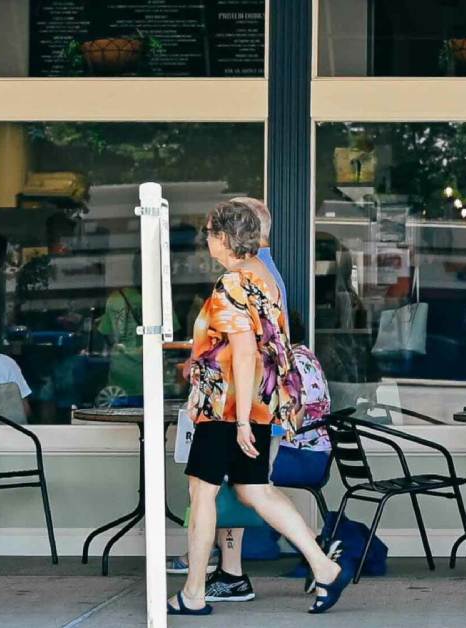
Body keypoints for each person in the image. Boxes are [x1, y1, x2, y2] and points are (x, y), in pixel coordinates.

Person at [167, 201, 350, 616]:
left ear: (223, 237)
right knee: (254, 490)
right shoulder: (263, 277)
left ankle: (194, 593)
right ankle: (324, 567)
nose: (206, 240)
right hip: (259, 402)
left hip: (226, 406)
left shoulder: (230, 284)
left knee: (203, 492)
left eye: (210, 232)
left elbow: (245, 351)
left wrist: (242, 419)